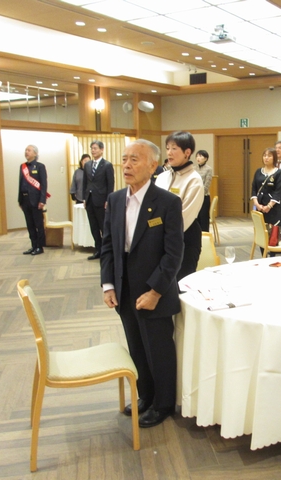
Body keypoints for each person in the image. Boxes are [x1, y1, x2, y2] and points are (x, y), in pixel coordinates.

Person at [100, 139, 184, 428]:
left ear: (152, 166)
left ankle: (163, 404)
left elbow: (173, 254)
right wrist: (108, 285)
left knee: (158, 350)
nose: (126, 165)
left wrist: (156, 291)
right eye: (124, 159)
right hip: (124, 289)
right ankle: (146, 395)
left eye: (134, 159)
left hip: (154, 290)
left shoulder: (167, 202)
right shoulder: (115, 200)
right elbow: (108, 246)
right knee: (136, 346)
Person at [155, 131, 204, 281]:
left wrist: (158, 229)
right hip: (159, 237)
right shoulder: (162, 177)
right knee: (161, 282)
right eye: (167, 148)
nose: (169, 152)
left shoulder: (194, 180)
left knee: (182, 282)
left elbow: (185, 216)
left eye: (174, 148)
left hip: (185, 238)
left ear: (187, 153)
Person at [83, 141, 114, 260]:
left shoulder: (107, 165)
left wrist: (108, 199)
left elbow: (110, 184)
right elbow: (85, 183)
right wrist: (84, 198)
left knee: (103, 226)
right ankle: (98, 250)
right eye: (92, 148)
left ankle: (107, 251)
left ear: (102, 150)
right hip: (89, 199)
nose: (93, 150)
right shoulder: (87, 165)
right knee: (93, 226)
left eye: (95, 148)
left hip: (101, 200)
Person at [18, 144, 48, 256]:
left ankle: (40, 246)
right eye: (26, 150)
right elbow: (20, 183)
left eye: (29, 150)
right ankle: (33, 245)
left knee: (38, 224)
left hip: (36, 200)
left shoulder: (40, 166)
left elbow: (44, 185)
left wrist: (42, 200)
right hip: (25, 199)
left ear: (35, 153)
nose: (26, 152)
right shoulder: (22, 167)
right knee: (30, 224)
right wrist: (19, 199)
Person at [251, 147, 281, 227]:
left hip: (272, 208)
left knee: (272, 231)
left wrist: (269, 206)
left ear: (274, 158)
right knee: (260, 229)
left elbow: (278, 191)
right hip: (259, 206)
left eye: (269, 156)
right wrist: (256, 204)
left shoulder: (278, 173)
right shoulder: (258, 171)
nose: (266, 158)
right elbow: (254, 188)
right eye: (264, 155)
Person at [195, 150, 212, 232]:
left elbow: (207, 185)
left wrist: (200, 194)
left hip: (204, 197)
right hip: (195, 197)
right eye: (197, 156)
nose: (198, 158)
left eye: (201, 156)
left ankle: (205, 236)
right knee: (196, 218)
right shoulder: (194, 168)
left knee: (203, 218)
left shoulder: (208, 169)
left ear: (206, 158)